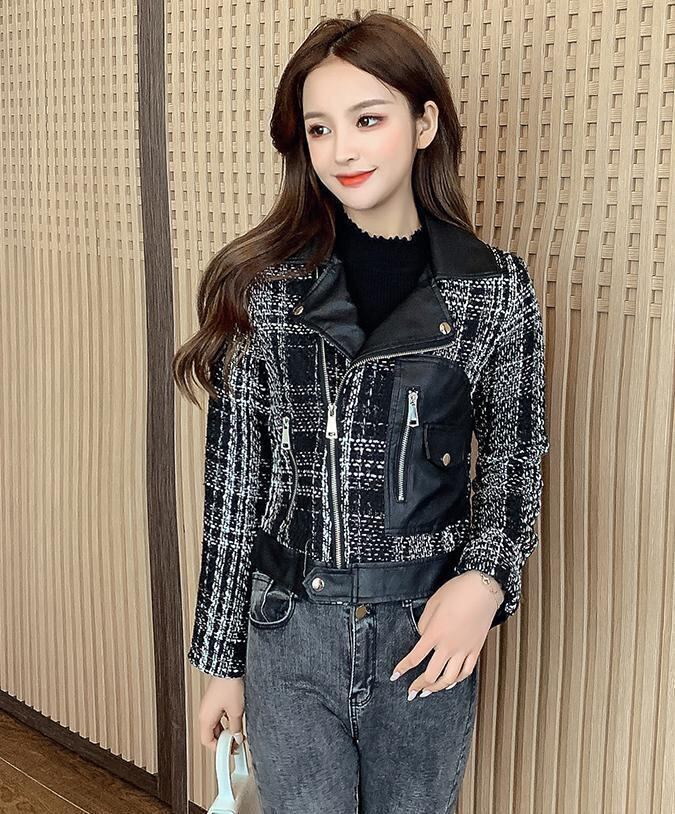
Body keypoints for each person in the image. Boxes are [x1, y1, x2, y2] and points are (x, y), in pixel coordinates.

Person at [173, 9, 550, 814]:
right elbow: (234, 492)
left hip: (425, 638)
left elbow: (513, 462)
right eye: (319, 129)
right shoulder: (265, 289)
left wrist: (484, 580)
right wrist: (221, 662)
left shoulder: (493, 290)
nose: (341, 150)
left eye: (367, 120)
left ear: (424, 124)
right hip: (288, 631)